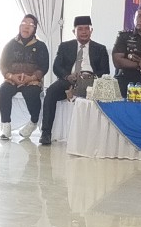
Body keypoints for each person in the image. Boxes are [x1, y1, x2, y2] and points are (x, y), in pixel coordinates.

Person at [39, 15, 110, 146]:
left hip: (91, 83)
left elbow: (105, 71)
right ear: (74, 31)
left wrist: (91, 77)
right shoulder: (65, 46)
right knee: (51, 92)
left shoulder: (100, 49)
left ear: (91, 31)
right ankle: (46, 133)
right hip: (70, 80)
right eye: (80, 29)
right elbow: (56, 67)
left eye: (86, 29)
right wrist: (67, 76)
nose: (84, 32)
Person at [0, 14, 51, 140]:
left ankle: (33, 122)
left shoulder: (40, 46)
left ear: (35, 29)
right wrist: (11, 76)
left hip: (31, 80)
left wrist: (31, 78)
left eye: (30, 25)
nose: (26, 27)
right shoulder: (11, 44)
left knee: (32, 92)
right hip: (13, 79)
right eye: (23, 23)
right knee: (4, 90)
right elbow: (2, 64)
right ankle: (6, 125)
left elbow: (44, 66)